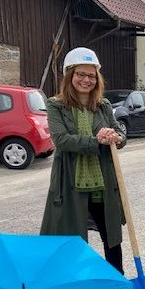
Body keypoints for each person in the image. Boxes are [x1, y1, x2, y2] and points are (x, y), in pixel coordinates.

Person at [41, 47, 126, 274]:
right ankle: (74, 284)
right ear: (70, 75)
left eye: (91, 75)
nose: (86, 80)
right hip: (70, 185)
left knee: (111, 237)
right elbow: (61, 140)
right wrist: (96, 140)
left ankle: (116, 280)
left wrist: (115, 137)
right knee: (72, 239)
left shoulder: (103, 106)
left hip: (103, 183)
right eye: (81, 74)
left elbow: (121, 136)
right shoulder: (56, 105)